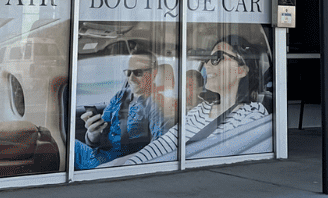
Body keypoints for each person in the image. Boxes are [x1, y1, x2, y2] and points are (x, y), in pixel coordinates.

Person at [111, 35, 270, 165]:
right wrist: (122, 166)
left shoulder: (252, 117)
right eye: (207, 58)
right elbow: (162, 145)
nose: (207, 64)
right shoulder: (200, 110)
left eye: (217, 57)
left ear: (241, 70)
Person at [74, 50, 172, 169]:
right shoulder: (120, 96)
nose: (131, 79)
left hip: (115, 165)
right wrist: (92, 134)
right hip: (97, 156)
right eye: (128, 73)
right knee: (65, 145)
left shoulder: (156, 104)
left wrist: (119, 165)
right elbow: (102, 131)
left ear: (154, 73)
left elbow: (160, 148)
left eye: (138, 73)